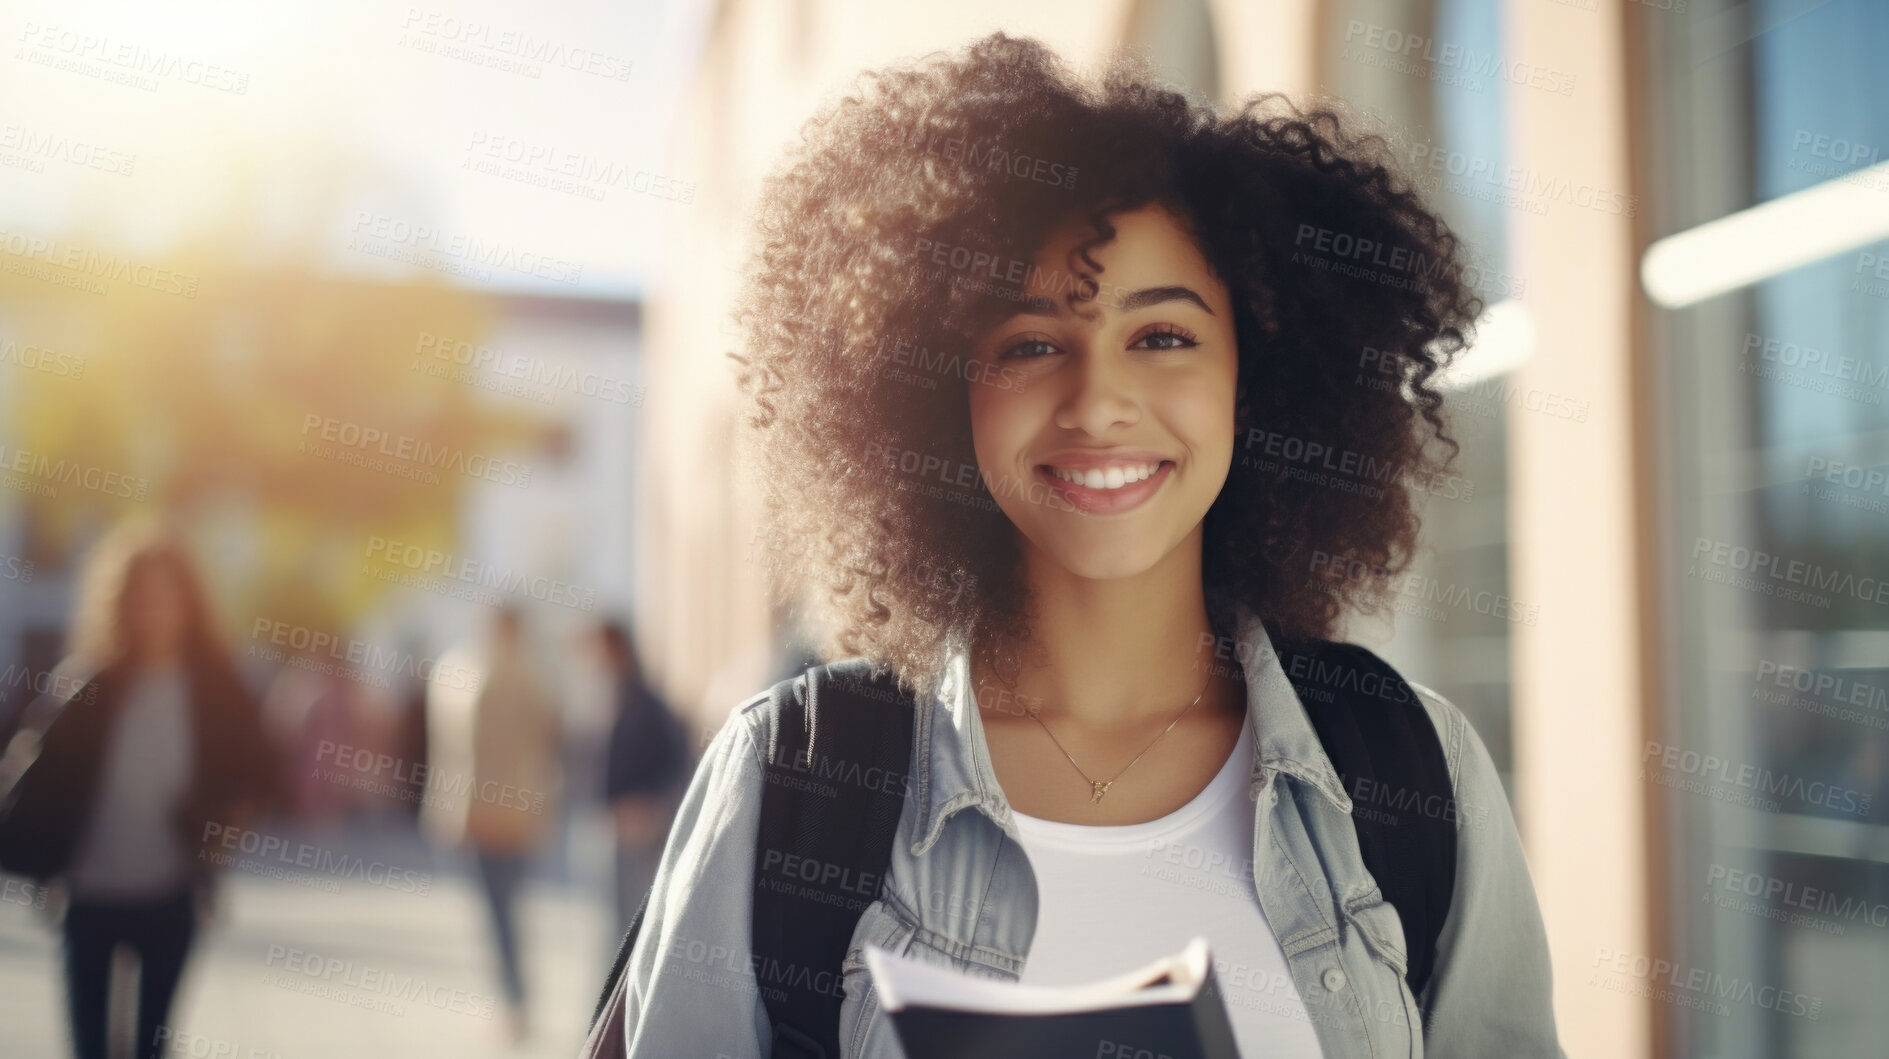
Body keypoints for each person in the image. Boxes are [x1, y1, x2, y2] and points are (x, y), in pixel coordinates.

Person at [615, 33, 1562, 1058]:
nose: (1099, 403)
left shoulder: (1411, 773)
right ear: (942, 396)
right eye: (1028, 345)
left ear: (1256, 383)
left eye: (1161, 338)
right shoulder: (793, 777)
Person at [0, 523, 277, 1059]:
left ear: (187, 601)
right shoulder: (89, 684)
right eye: (142, 596)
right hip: (88, 895)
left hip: (171, 895)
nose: (154, 609)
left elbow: (260, 771)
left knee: (153, 1043)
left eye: (165, 595)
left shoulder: (217, 689)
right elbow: (37, 774)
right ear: (120, 603)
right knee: (90, 1046)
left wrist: (220, 833)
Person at [422, 604, 559, 1042]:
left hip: (495, 813)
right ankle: (513, 1000)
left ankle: (514, 1002)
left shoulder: (475, 673)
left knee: (501, 912)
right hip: (493, 812)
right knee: (501, 911)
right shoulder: (520, 675)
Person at [592, 619, 690, 942]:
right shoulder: (611, 698)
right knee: (615, 920)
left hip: (639, 829)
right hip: (614, 824)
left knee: (634, 921)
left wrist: (649, 805)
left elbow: (676, 762)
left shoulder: (646, 703)